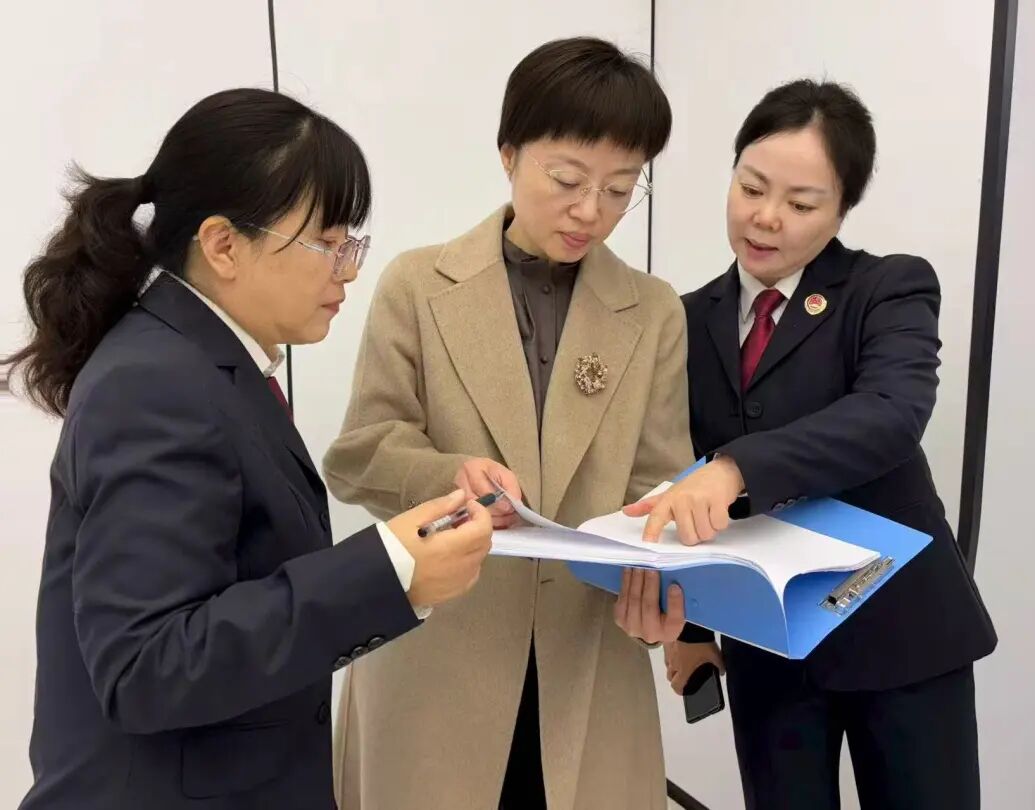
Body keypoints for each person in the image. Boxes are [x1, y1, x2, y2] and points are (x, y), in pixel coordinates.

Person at [5, 88, 493, 810]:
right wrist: (391, 571)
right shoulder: (156, 383)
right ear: (223, 245)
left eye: (350, 242)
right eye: (327, 242)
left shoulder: (200, 363)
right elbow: (147, 666)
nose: (348, 270)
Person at [324, 37, 694, 810]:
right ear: (508, 154)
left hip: (588, 661)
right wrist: (446, 477)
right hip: (436, 658)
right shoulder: (417, 285)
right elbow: (360, 453)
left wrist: (659, 586)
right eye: (567, 179)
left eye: (621, 189)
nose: (591, 211)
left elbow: (659, 482)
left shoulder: (654, 311)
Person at [618, 79, 997, 809]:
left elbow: (890, 414)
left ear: (843, 207)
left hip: (903, 634)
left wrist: (737, 469)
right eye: (751, 188)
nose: (766, 218)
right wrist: (688, 625)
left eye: (801, 204)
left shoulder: (888, 288)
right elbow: (672, 468)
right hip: (769, 647)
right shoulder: (685, 318)